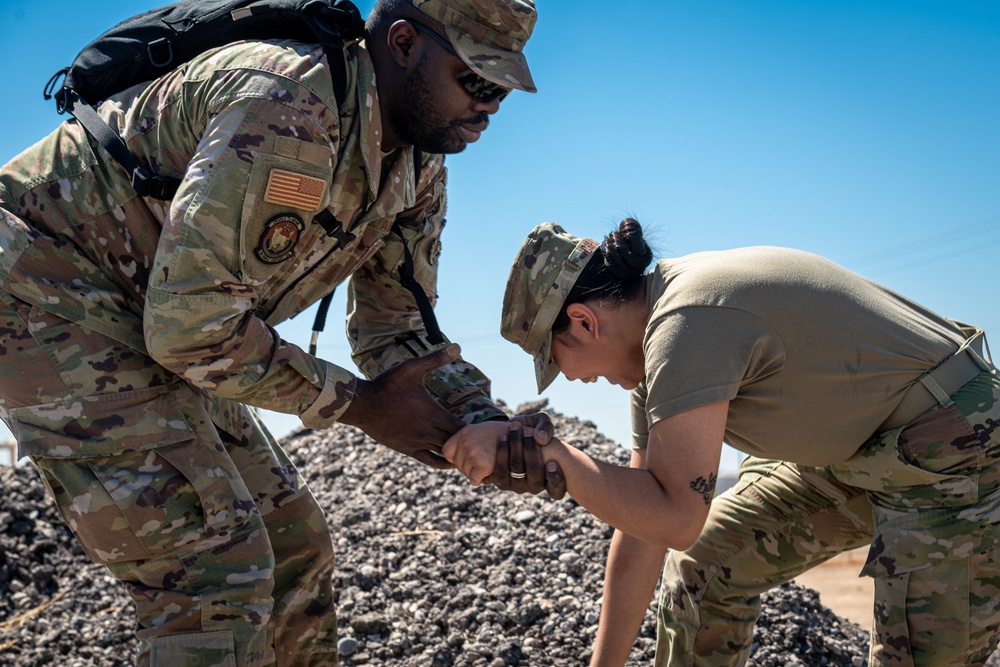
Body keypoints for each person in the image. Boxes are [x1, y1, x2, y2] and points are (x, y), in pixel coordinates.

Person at [0, 1, 563, 664]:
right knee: (214, 573)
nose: (489, 109)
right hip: (47, 287)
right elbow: (188, 328)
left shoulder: (417, 167)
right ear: (404, 43)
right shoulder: (288, 108)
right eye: (479, 82)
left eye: (502, 92)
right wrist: (362, 406)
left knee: (295, 545)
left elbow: (398, 326)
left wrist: (481, 423)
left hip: (160, 313)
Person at [444, 218, 1000, 666]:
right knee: (705, 566)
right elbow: (644, 531)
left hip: (954, 444)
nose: (574, 380)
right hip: (857, 449)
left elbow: (677, 518)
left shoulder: (686, 325)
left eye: (558, 361)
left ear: (584, 322)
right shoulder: (654, 357)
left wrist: (557, 456)